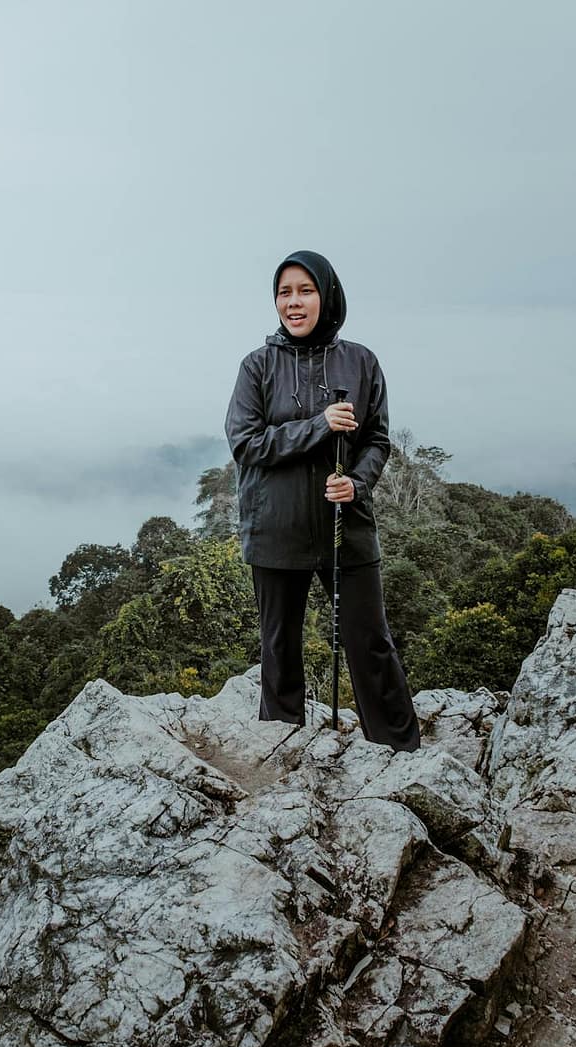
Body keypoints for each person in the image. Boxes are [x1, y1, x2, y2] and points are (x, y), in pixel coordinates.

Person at [225, 250, 421, 752]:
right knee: (279, 648)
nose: (294, 302)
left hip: (346, 525)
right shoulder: (257, 366)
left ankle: (400, 751)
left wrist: (355, 482)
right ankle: (279, 750)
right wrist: (319, 426)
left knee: (370, 643)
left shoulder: (361, 361)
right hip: (275, 530)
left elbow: (377, 440)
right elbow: (246, 443)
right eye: (285, 292)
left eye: (305, 291)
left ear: (327, 295)